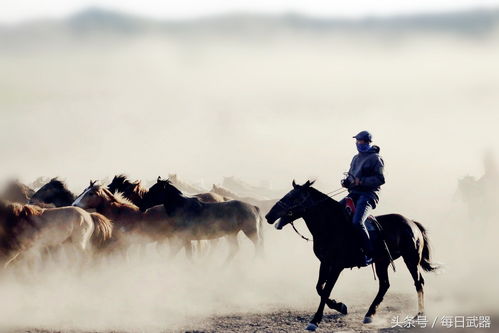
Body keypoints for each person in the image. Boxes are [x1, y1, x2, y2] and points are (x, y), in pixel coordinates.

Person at [340, 130, 385, 267]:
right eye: (357, 141)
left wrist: (361, 182)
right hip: (354, 194)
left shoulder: (376, 158)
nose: (358, 144)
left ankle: (369, 254)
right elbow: (350, 176)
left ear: (368, 142)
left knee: (357, 222)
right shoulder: (355, 158)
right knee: (335, 212)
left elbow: (380, 179)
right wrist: (346, 181)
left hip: (368, 195)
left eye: (361, 141)